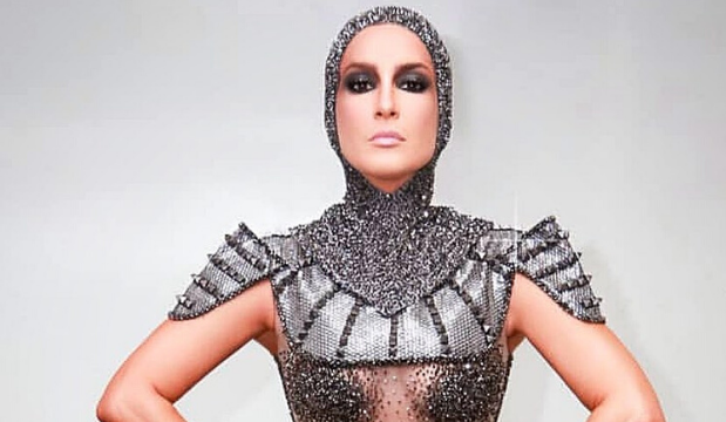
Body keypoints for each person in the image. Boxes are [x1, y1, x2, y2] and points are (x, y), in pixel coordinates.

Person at [97, 6, 665, 422]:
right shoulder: (281, 272)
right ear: (333, 110)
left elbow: (632, 408)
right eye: (361, 83)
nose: (386, 104)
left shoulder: (502, 267)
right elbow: (129, 399)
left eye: (411, 83)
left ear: (442, 111)